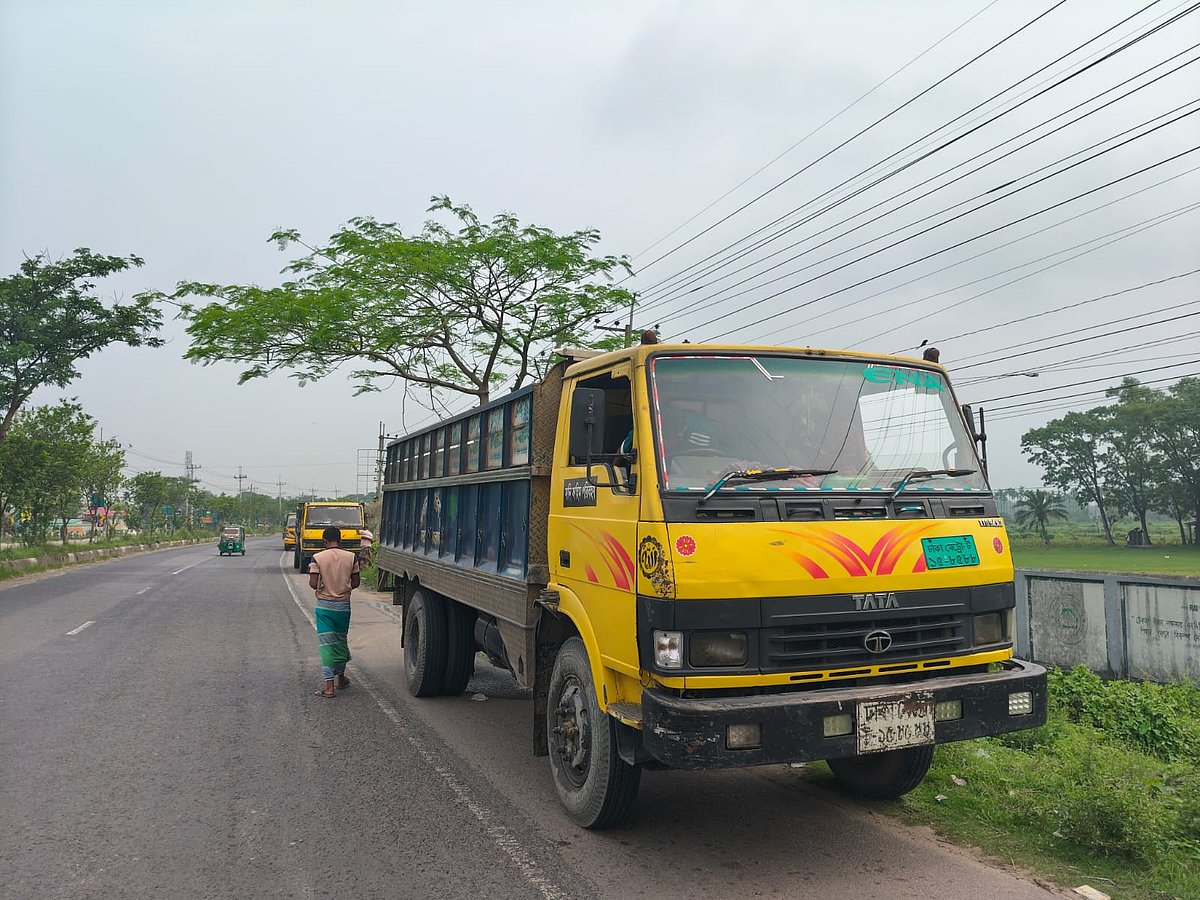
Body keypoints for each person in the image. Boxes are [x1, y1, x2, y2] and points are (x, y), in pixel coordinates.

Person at [309, 526, 361, 698]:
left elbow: (312, 582)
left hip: (324, 607)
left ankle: (329, 687)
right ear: (340, 540)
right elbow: (356, 582)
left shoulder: (318, 558)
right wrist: (342, 587)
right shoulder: (351, 557)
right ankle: (341, 678)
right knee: (340, 642)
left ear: (324, 541)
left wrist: (326, 586)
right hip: (343, 607)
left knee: (326, 646)